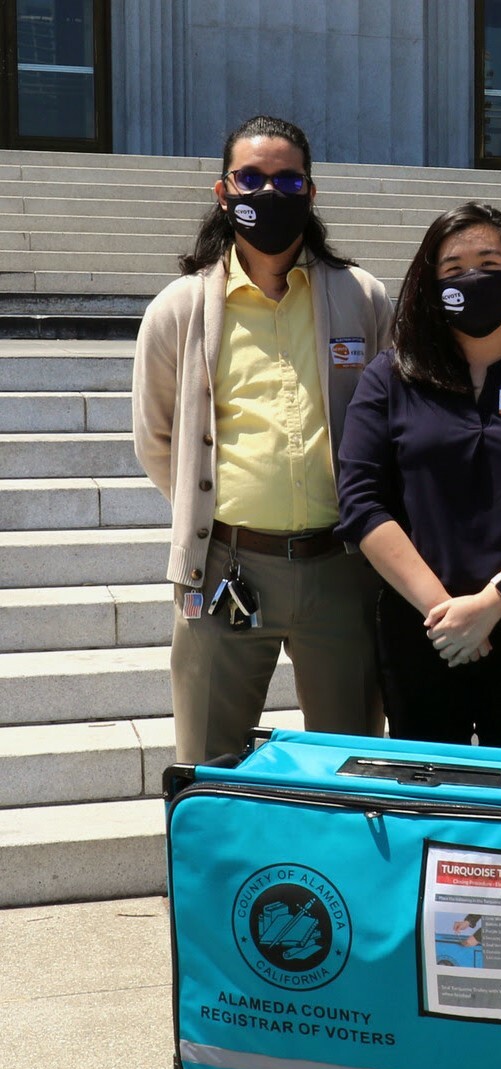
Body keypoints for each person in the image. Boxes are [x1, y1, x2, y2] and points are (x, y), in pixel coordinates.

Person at [132, 114, 391, 763]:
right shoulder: (180, 308)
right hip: (226, 569)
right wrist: (217, 514)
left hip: (340, 568)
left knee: (351, 766)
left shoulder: (360, 297)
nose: (268, 193)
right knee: (209, 766)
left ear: (310, 191)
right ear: (224, 192)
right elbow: (158, 438)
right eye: (251, 178)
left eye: (286, 179)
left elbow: (393, 421)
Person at [336, 203, 501, 749]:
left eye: (488, 261)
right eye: (453, 268)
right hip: (423, 630)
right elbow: (362, 503)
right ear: (430, 284)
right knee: (433, 803)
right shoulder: (389, 377)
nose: (472, 277)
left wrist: (492, 603)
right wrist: (445, 613)